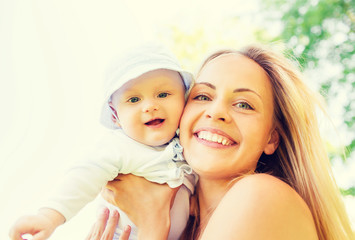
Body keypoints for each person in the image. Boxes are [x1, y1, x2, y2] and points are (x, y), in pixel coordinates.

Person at [86, 45, 354, 240]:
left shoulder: (260, 194)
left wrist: (153, 226)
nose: (216, 112)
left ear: (271, 138)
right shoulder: (187, 227)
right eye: (203, 96)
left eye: (244, 104)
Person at [9, 43, 197, 240]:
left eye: (163, 94)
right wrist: (49, 216)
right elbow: (84, 176)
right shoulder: (119, 147)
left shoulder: (191, 148)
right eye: (133, 100)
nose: (150, 106)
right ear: (115, 115)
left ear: (184, 99)